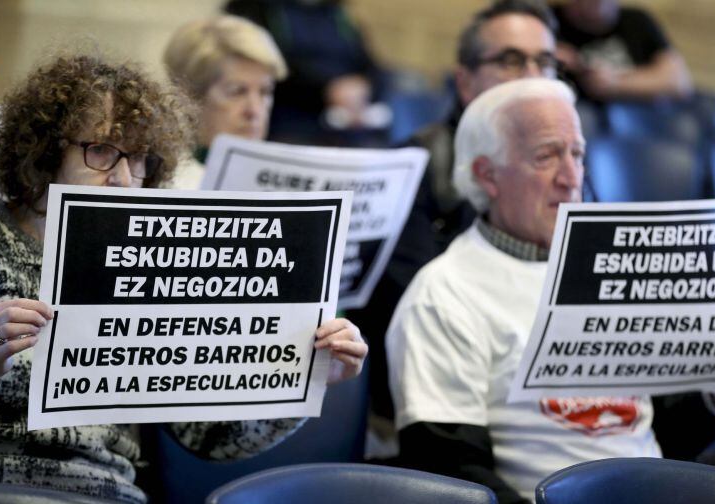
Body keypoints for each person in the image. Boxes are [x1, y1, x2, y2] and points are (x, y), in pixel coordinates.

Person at [0, 53, 367, 503]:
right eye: (102, 151)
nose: (125, 180)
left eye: (142, 159)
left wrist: (309, 373)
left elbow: (210, 436)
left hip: (112, 494)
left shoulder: (152, 264)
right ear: (46, 150)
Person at [385, 78, 715, 503]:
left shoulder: (615, 268)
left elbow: (656, 438)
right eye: (546, 156)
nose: (570, 176)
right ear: (486, 175)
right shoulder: (443, 292)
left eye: (577, 154)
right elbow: (451, 472)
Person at [349, 0, 559, 429]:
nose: (533, 77)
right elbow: (415, 313)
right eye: (511, 60)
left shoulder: (569, 173)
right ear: (465, 82)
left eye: (545, 61)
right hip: (448, 395)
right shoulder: (413, 170)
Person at [224, 0, 384, 144]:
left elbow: (369, 64)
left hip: (346, 119)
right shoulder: (255, 8)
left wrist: (363, 86)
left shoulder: (336, 12)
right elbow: (267, 66)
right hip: (290, 119)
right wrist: (327, 89)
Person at [163, 15, 288, 189]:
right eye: (237, 91)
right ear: (189, 96)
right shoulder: (165, 184)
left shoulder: (285, 179)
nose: (255, 110)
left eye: (265, 92)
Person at [552, 0, 692, 101]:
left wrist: (616, 84)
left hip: (641, 112)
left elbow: (679, 82)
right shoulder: (549, 19)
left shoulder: (636, 20)